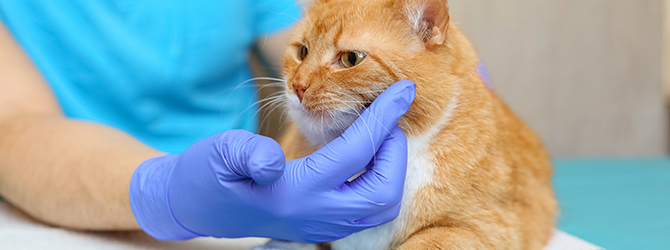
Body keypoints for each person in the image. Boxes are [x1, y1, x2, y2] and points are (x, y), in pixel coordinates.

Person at [0, 0, 416, 243]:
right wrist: (166, 190)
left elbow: (321, 37)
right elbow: (12, 125)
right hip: (61, 209)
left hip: (258, 210)